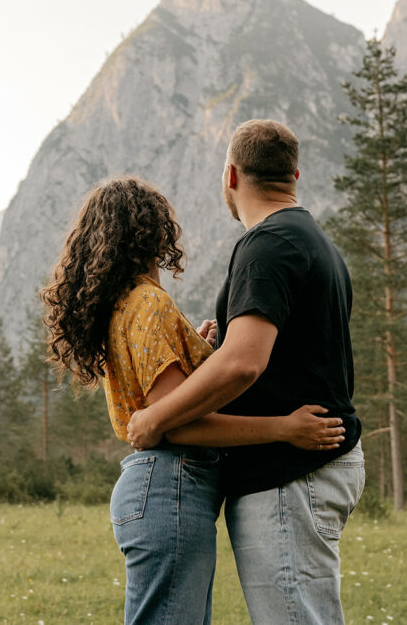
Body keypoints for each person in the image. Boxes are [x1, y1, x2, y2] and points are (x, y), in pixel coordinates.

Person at [40, 176, 346, 625]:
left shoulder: (126, 306)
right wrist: (283, 428)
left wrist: (194, 352)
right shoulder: (150, 305)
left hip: (158, 487)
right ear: (154, 231)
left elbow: (168, 399)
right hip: (171, 483)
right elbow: (178, 424)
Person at [127, 120, 364, 624]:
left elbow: (244, 364)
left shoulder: (269, 243)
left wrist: (154, 419)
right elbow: (269, 355)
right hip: (302, 467)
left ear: (230, 176)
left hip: (290, 473)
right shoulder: (311, 239)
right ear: (295, 174)